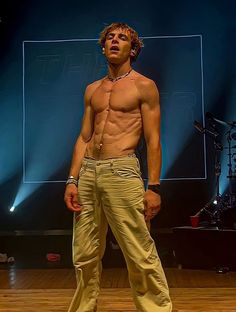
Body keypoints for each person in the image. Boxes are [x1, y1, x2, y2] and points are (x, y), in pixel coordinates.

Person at [64, 22, 172, 312]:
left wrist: (154, 187)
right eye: (109, 37)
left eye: (122, 38)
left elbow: (153, 140)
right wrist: (72, 180)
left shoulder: (144, 86)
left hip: (121, 172)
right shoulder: (92, 90)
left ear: (132, 49)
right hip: (88, 173)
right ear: (103, 47)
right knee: (84, 254)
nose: (114, 41)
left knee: (139, 251)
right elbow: (84, 136)